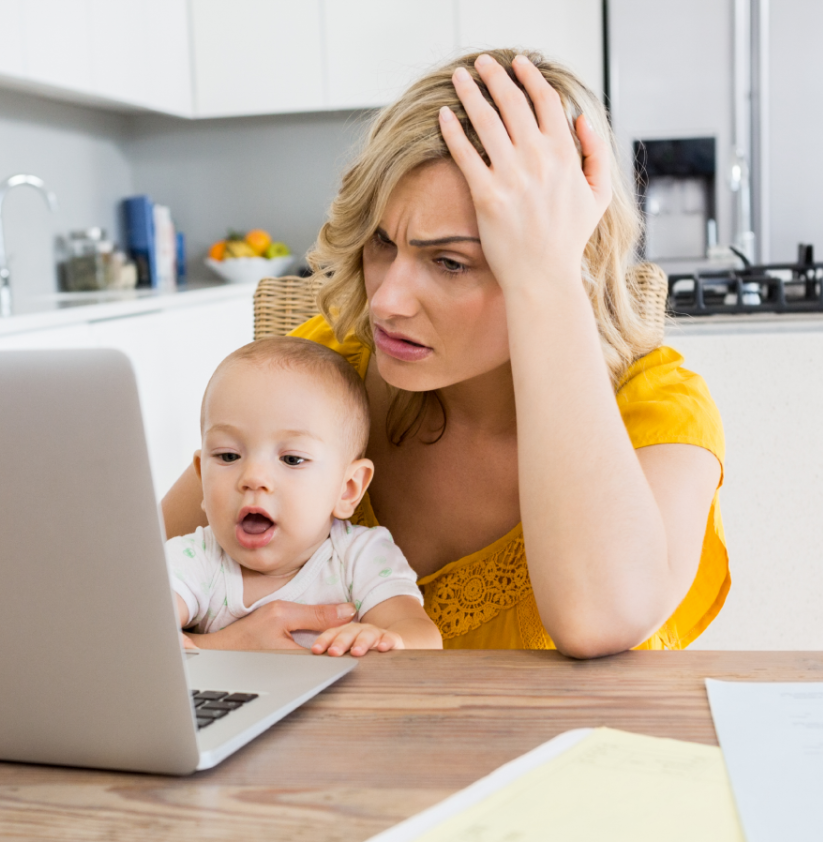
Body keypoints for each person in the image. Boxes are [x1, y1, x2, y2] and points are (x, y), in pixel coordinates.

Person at [163, 49, 727, 658]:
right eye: (383, 242)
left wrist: (546, 280)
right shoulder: (318, 377)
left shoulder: (657, 409)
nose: (386, 300)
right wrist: (222, 647)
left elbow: (599, 619)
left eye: (450, 261)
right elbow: (116, 589)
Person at [166, 337, 442, 657]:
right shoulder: (195, 559)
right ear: (201, 478)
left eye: (292, 459)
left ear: (348, 488)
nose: (253, 478)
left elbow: (423, 635)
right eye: (228, 456)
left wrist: (387, 639)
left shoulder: (359, 557)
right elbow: (133, 631)